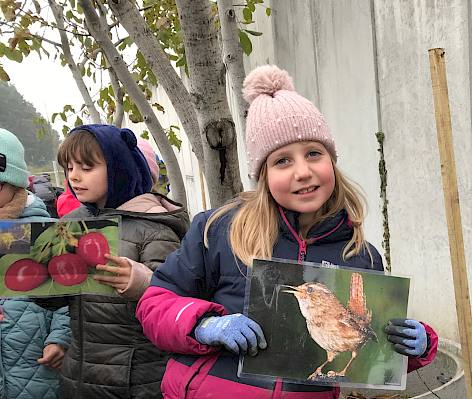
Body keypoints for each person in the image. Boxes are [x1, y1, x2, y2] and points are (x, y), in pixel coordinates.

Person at [136, 65, 438, 398]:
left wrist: (413, 346)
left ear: (331, 161)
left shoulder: (360, 255)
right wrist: (203, 325)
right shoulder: (220, 229)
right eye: (282, 161)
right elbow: (155, 304)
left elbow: (373, 352)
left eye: (313, 153)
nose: (303, 172)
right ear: (262, 174)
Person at [56, 124, 189, 398]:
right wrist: (42, 276)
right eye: (69, 168)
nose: (75, 177)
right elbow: (57, 300)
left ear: (119, 168)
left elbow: (180, 300)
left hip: (137, 380)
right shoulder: (69, 225)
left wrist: (143, 284)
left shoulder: (154, 229)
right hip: (79, 376)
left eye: (86, 167)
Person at [0, 128, 70, 399]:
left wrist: (60, 339)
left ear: (16, 182)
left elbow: (69, 295)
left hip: (36, 366)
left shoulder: (48, 233)